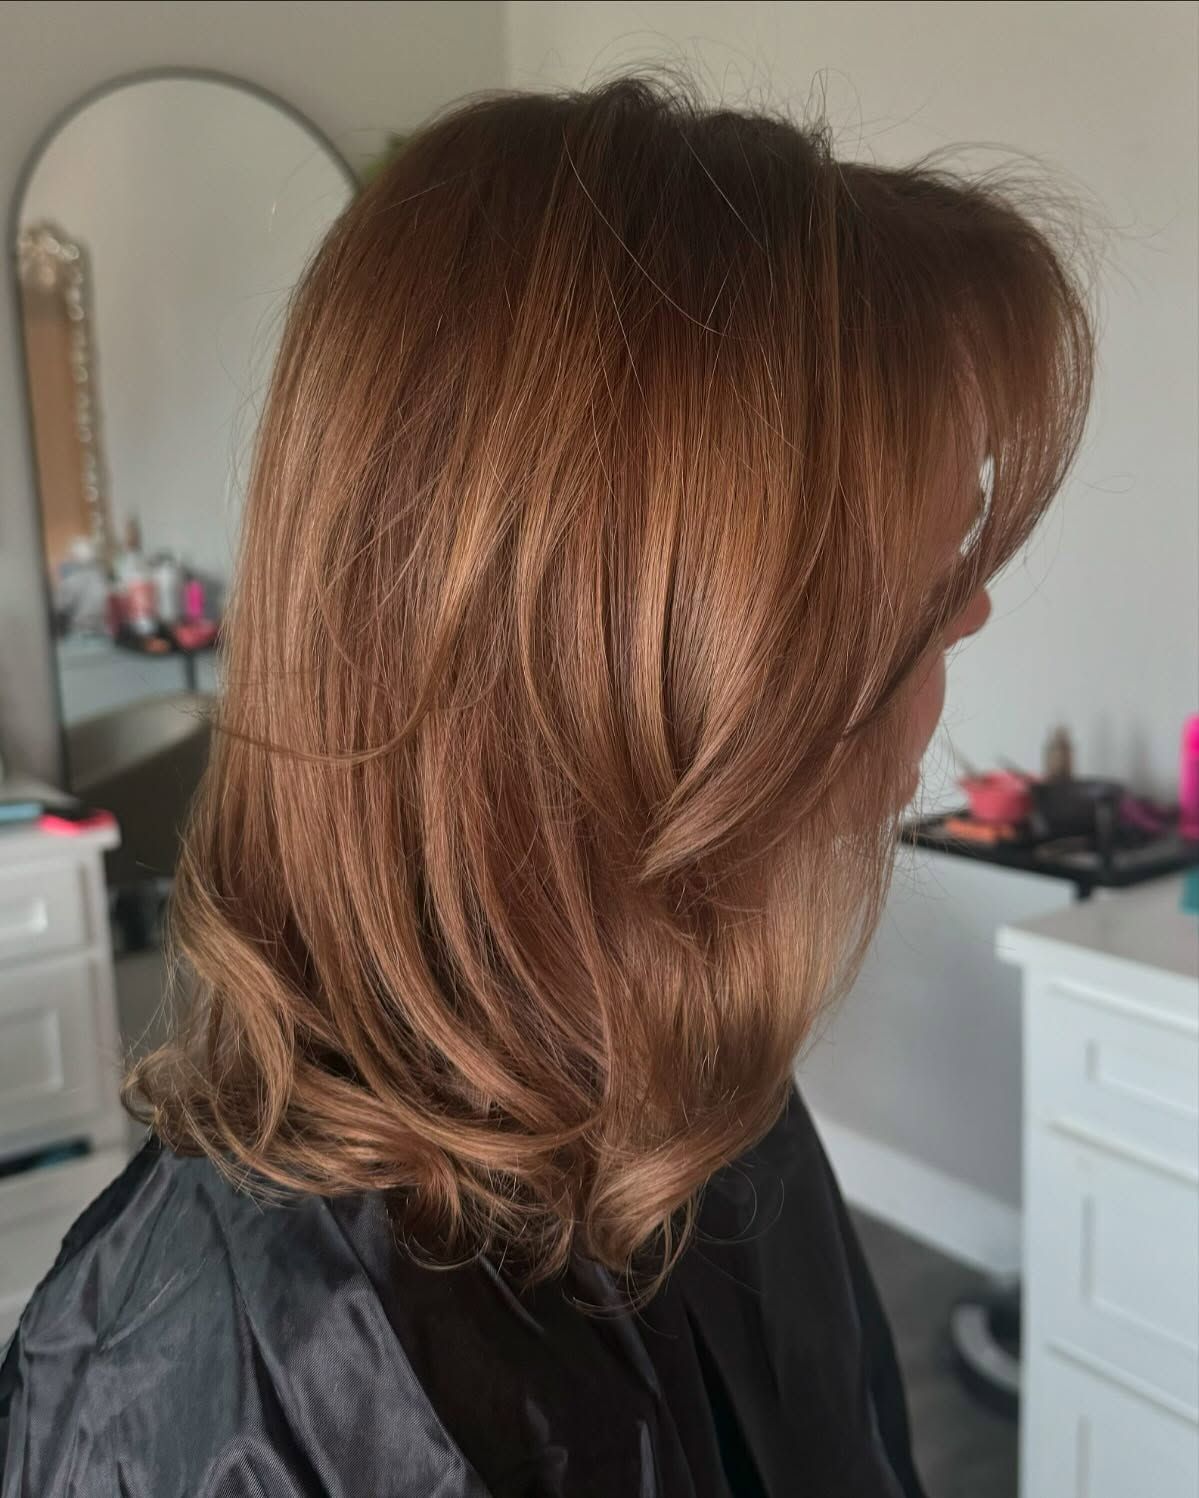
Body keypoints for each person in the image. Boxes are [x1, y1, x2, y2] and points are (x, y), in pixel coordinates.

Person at [0, 75, 1092, 1497]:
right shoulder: (250, 1405)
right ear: (644, 670)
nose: (971, 611)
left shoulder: (689, 1088)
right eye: (932, 573)